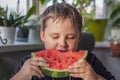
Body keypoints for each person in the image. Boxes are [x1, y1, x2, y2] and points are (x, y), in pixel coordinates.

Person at [10, 3, 115, 80]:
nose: (62, 44)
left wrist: (95, 78)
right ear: (43, 35)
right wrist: (20, 76)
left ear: (79, 37)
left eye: (70, 37)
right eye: (55, 36)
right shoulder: (29, 64)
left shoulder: (90, 62)